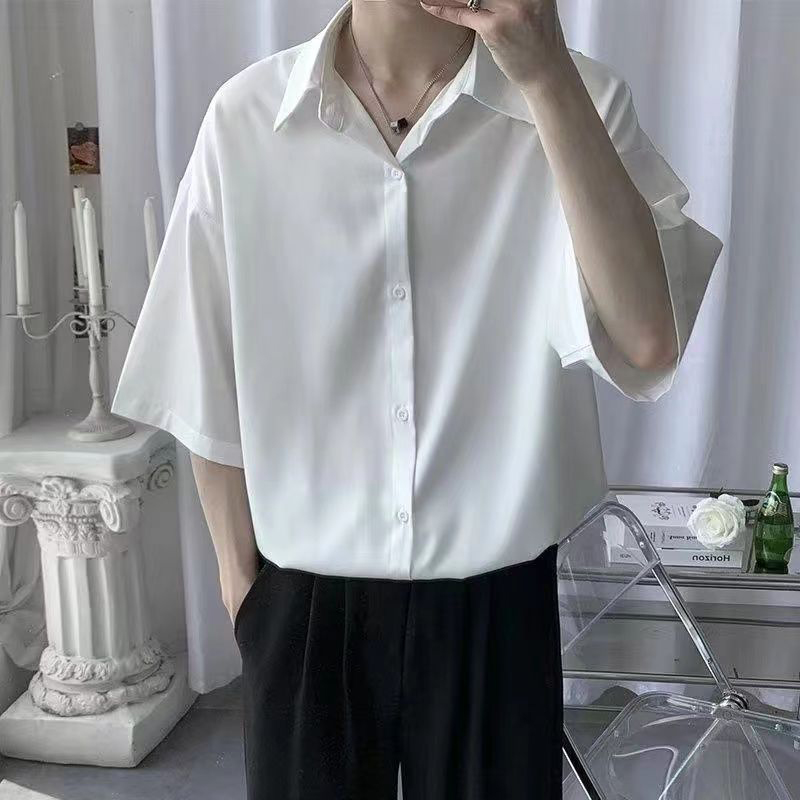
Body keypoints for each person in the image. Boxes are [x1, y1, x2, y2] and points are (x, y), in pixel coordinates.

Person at [110, 0, 723, 797]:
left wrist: (545, 78)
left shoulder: (577, 98)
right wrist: (239, 580)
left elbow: (648, 339)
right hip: (304, 601)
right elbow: (203, 357)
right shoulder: (249, 117)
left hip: (496, 601)